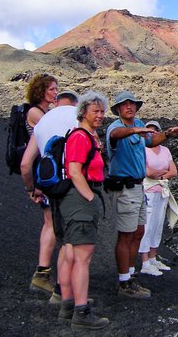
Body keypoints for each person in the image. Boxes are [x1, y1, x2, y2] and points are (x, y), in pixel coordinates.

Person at [105, 91, 178, 299]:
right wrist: (133, 130)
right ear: (118, 109)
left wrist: (167, 134)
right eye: (124, 104)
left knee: (138, 232)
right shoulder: (116, 127)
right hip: (124, 187)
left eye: (132, 104)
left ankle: (130, 275)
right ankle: (124, 282)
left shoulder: (139, 124)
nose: (129, 107)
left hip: (139, 187)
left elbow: (150, 141)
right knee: (126, 234)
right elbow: (115, 136)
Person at [21, 90, 79, 301]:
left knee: (51, 226)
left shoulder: (44, 121)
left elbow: (25, 164)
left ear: (56, 102)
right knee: (71, 239)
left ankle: (42, 273)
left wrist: (31, 189)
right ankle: (64, 292)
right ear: (76, 103)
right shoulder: (79, 118)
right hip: (73, 187)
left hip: (48, 185)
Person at [58, 90, 109, 330]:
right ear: (83, 112)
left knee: (71, 255)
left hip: (76, 201)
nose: (100, 115)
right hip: (80, 200)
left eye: (102, 111)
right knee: (82, 259)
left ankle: (68, 306)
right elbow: (75, 170)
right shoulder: (80, 137)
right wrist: (90, 198)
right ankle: (81, 313)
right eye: (95, 111)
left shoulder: (89, 135)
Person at [22, 74, 59, 293]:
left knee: (51, 221)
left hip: (42, 173)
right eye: (52, 89)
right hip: (41, 174)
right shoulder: (36, 113)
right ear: (41, 91)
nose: (55, 93)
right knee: (51, 222)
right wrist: (31, 187)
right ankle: (42, 273)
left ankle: (44, 272)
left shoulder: (43, 113)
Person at [138, 120, 178, 276]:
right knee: (147, 226)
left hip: (162, 190)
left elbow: (174, 171)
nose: (151, 133)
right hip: (148, 190)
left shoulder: (165, 150)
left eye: (155, 131)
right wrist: (163, 174)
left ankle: (153, 257)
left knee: (157, 225)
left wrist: (160, 175)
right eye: (148, 131)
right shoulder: (142, 149)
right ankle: (144, 261)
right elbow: (148, 173)